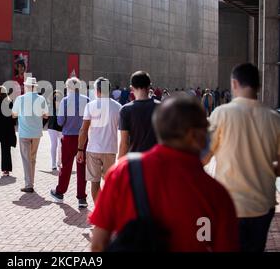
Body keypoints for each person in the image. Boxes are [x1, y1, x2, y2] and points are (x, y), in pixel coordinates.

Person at [90, 95, 239, 252]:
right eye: (206, 128)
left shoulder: (123, 173)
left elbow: (98, 244)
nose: (208, 135)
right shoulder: (216, 194)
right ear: (192, 134)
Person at [205, 63, 280, 252]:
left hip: (230, 203)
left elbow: (204, 157)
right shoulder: (274, 118)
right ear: (259, 85)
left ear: (234, 83)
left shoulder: (221, 114)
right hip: (263, 203)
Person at [76, 77, 121, 203]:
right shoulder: (118, 107)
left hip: (93, 149)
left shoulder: (90, 106)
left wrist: (80, 149)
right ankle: (107, 210)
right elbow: (122, 131)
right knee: (109, 183)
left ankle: (98, 211)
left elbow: (83, 130)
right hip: (110, 150)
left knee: (94, 183)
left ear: (97, 90)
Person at [50, 77, 90, 208]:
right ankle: (82, 197)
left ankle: (60, 192)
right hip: (83, 137)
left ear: (68, 88)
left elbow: (60, 122)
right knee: (82, 168)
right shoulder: (87, 100)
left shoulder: (65, 101)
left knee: (66, 166)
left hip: (68, 137)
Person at [12, 77, 49, 193]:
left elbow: (13, 114)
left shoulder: (20, 99)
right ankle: (31, 182)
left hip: (24, 133)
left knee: (26, 159)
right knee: (32, 158)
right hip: (36, 133)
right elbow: (46, 115)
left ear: (27, 87)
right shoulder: (41, 99)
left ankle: (29, 184)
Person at [118, 71, 160, 158]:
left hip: (135, 162)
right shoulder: (161, 107)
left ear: (131, 88)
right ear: (149, 86)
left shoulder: (126, 110)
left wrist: (119, 163)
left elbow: (124, 143)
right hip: (156, 160)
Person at [47, 90, 63, 171]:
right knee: (54, 145)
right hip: (52, 127)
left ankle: (59, 162)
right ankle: (53, 164)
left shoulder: (64, 106)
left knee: (61, 146)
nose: (57, 99)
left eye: (58, 97)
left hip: (61, 128)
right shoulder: (49, 106)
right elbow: (46, 117)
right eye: (55, 97)